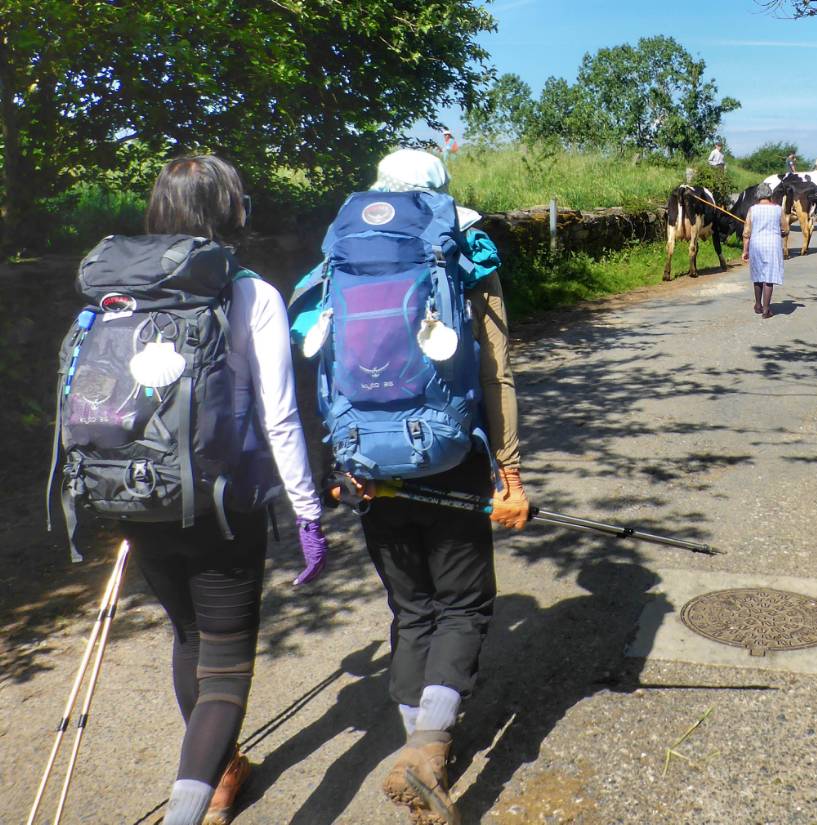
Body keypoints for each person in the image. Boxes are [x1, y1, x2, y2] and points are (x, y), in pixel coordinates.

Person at [124, 156, 329, 825]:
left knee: (188, 635)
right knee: (227, 661)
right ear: (229, 212)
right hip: (224, 506)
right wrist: (307, 510)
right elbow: (279, 416)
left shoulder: (119, 291)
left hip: (141, 500)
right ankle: (193, 805)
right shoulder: (251, 293)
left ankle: (222, 770)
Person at [330, 149, 526, 825]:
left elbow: (318, 355)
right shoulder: (465, 242)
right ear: (441, 192)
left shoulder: (345, 245)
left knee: (411, 608)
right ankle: (428, 747)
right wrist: (511, 473)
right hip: (448, 453)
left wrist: (339, 458)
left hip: (368, 463)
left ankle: (420, 745)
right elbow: (497, 369)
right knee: (464, 603)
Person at [741, 185, 789, 318]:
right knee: (769, 277)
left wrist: (745, 250)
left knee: (757, 275)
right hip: (773, 245)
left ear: (757, 196)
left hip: (756, 244)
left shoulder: (752, 210)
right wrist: (781, 233)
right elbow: (785, 229)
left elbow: (746, 233)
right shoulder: (778, 210)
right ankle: (766, 309)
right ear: (770, 195)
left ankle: (758, 305)